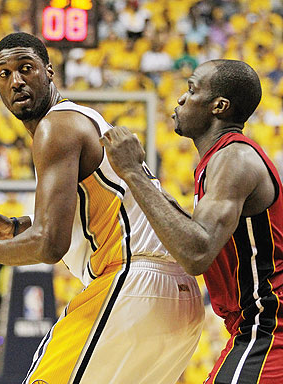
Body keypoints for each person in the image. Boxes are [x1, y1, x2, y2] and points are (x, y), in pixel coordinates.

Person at [0, 32, 204, 384]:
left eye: (26, 68)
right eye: (4, 73)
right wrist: (16, 229)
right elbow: (83, 221)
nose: (16, 81)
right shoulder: (80, 120)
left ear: (49, 71)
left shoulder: (55, 127)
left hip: (132, 284)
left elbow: (50, 244)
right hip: (180, 297)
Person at [100, 59, 283, 384]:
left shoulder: (234, 159)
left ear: (219, 107)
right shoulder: (220, 161)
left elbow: (197, 252)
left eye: (191, 90)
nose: (181, 99)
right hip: (253, 326)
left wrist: (130, 172)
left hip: (269, 323)